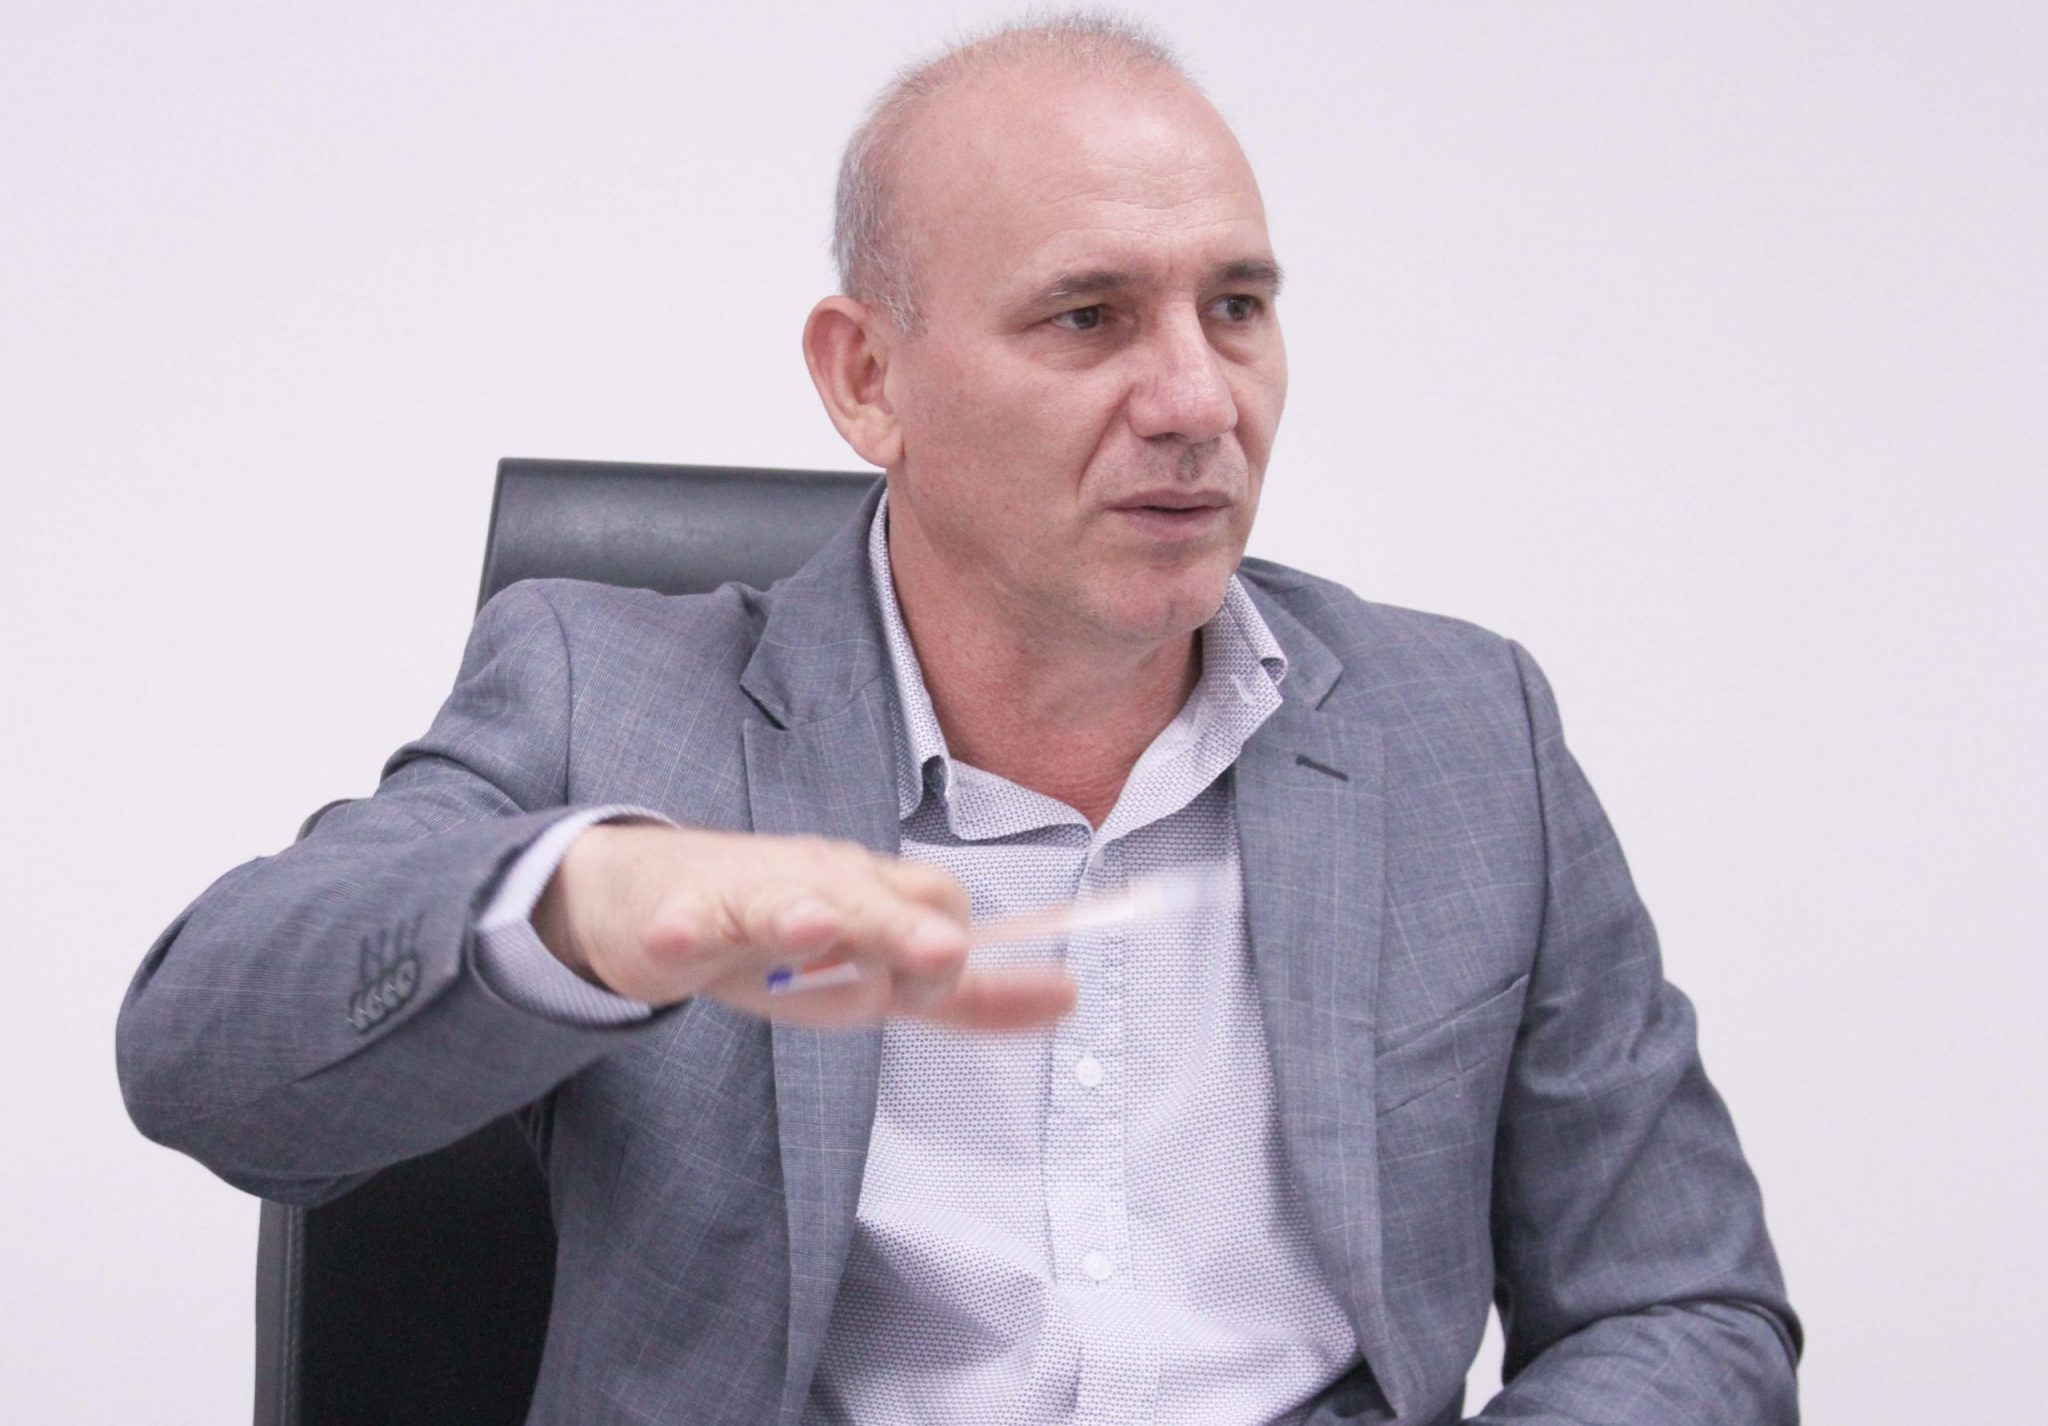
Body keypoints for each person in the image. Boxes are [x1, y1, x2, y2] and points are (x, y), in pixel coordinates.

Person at [117, 13, 1800, 1425]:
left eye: (1236, 306)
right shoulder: (604, 699)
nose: (1196, 399)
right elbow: (203, 1056)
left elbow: (1690, 1308)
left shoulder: (1467, 733)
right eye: (1089, 316)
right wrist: (584, 905)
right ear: (868, 378)